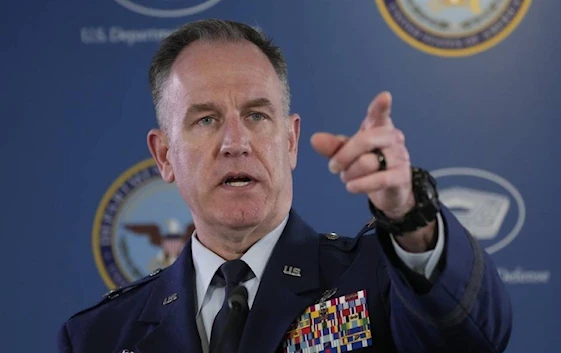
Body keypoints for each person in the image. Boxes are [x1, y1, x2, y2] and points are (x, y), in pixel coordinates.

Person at [58, 19, 512, 353]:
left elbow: (471, 337)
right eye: (206, 119)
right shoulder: (99, 336)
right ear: (164, 155)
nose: (235, 143)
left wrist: (410, 214)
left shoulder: (381, 280)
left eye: (256, 115)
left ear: (290, 140)